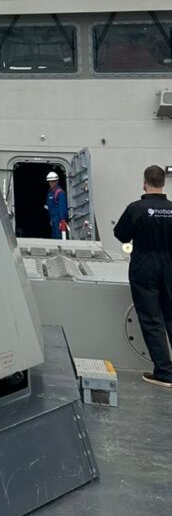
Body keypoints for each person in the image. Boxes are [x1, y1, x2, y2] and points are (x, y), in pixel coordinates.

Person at [113, 165, 172, 389]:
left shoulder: (136, 208)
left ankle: (165, 372)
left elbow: (121, 234)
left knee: (151, 319)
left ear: (145, 182)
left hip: (145, 266)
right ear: (163, 183)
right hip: (170, 265)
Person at [45, 171, 68, 239]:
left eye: (53, 181)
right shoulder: (50, 192)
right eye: (50, 181)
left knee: (59, 237)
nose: (52, 183)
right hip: (53, 218)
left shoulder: (60, 192)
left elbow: (62, 207)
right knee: (54, 237)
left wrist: (62, 220)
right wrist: (51, 219)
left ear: (57, 181)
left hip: (59, 218)